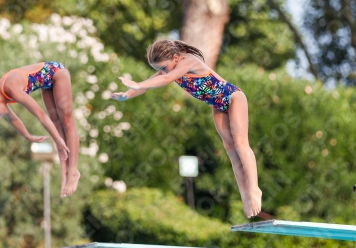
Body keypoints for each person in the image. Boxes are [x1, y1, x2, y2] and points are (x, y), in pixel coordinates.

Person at [112, 39, 262, 218]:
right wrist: (127, 95)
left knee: (240, 144)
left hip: (233, 97)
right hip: (217, 105)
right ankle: (245, 194)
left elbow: (166, 79)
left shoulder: (188, 61)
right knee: (230, 149)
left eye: (164, 67)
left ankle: (254, 189)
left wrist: (138, 84)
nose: (162, 72)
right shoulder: (169, 69)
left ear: (175, 57)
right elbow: (148, 85)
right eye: (159, 69)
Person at [0, 54, 80, 198]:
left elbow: (40, 114)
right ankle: (65, 172)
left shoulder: (10, 88)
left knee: (67, 121)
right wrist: (28, 136)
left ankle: (73, 171)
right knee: (55, 123)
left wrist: (58, 140)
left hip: (56, 73)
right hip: (46, 83)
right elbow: (13, 119)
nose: (0, 117)